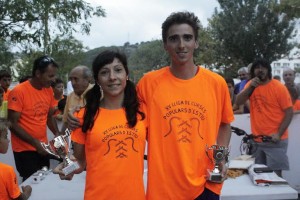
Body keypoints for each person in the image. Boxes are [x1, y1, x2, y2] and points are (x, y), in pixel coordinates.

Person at [137, 11, 234, 199]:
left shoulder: (216, 83)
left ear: (196, 43)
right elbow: (133, 126)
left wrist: (219, 159)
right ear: (165, 45)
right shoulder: (148, 84)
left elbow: (224, 123)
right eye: (174, 39)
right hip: (163, 189)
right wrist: (88, 113)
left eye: (187, 38)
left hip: (206, 185)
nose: (181, 45)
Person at [54, 50, 146, 200]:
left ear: (126, 75)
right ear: (97, 80)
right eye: (104, 72)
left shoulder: (141, 113)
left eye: (118, 70)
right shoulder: (83, 116)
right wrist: (66, 169)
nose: (112, 77)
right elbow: (80, 162)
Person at [235, 58, 293, 177]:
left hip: (275, 140)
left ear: (268, 70)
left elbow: (289, 112)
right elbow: (238, 101)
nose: (260, 70)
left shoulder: (278, 87)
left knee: (275, 177)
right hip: (257, 141)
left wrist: (278, 134)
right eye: (257, 68)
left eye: (263, 67)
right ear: (252, 71)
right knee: (259, 176)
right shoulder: (250, 85)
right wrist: (251, 87)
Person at [8, 55, 60, 181]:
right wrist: (35, 143)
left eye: (54, 75)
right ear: (38, 73)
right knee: (32, 181)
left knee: (44, 180)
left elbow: (49, 117)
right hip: (25, 150)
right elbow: (12, 123)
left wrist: (58, 134)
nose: (53, 80)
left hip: (43, 148)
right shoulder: (19, 91)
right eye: (50, 76)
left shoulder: (48, 90)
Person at [0, 120, 32, 200]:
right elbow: (20, 199)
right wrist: (28, 190)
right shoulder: (6, 171)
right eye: (5, 137)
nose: (8, 140)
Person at [60, 66, 93, 134]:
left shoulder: (99, 95)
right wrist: (60, 135)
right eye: (71, 79)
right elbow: (66, 121)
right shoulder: (70, 96)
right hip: (75, 140)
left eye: (76, 79)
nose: (73, 83)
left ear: (87, 79)